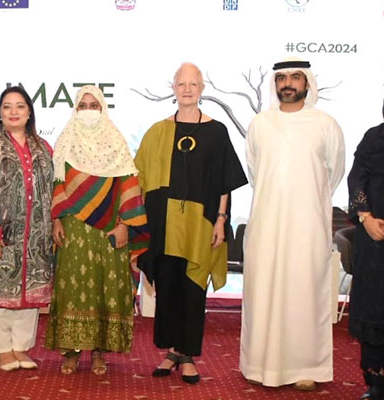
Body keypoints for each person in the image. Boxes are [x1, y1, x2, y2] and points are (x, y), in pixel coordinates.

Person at [135, 62, 247, 384]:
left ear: (202, 88)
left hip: (200, 223)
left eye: (193, 84)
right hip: (163, 222)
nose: (187, 89)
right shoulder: (157, 131)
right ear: (173, 88)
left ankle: (188, 356)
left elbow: (224, 181)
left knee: (193, 288)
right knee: (168, 286)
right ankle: (172, 351)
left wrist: (221, 219)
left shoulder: (216, 131)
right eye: (181, 83)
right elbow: (140, 176)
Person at [240, 59, 345, 391]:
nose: (288, 83)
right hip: (267, 223)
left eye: (295, 78)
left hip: (307, 225)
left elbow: (334, 172)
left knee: (305, 294)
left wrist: (307, 200)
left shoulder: (325, 124)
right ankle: (260, 365)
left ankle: (306, 367)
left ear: (306, 83)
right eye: (282, 78)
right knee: (265, 292)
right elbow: (255, 171)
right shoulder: (261, 123)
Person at [45, 85, 149, 375]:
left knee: (105, 289)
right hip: (74, 228)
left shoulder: (116, 143)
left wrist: (125, 225)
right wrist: (56, 220)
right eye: (83, 106)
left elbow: (129, 186)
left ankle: (100, 351)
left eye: (94, 105)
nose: (88, 111)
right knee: (72, 288)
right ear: (75, 110)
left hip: (110, 231)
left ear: (103, 109)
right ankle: (71, 351)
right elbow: (58, 186)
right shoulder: (65, 143)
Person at [0, 86, 54, 371]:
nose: (13, 112)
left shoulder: (44, 148)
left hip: (36, 236)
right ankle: (2, 349)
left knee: (29, 294)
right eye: (7, 107)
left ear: (30, 112)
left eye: (20, 106)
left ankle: (21, 346)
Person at [347, 100, 384, 400]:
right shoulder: (374, 138)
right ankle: (376, 381)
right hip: (374, 238)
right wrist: (366, 217)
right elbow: (356, 178)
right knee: (374, 306)